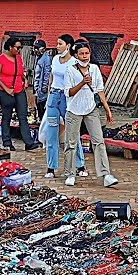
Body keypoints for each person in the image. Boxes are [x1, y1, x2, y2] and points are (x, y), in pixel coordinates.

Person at [60, 42, 118, 189]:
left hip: (91, 108)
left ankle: (106, 175)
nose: (84, 56)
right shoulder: (69, 70)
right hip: (73, 110)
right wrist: (82, 82)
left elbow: (99, 90)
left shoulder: (95, 69)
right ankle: (70, 174)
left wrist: (107, 109)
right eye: (81, 54)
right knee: (71, 143)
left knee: (98, 141)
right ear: (75, 55)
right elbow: (68, 92)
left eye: (87, 53)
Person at [42, 34, 85, 180]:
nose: (57, 46)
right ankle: (51, 167)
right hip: (54, 97)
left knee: (72, 132)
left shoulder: (74, 62)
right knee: (52, 131)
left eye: (60, 44)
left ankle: (80, 165)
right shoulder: (55, 59)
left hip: (68, 98)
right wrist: (48, 94)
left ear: (68, 46)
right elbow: (52, 78)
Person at [0, 37, 39, 151]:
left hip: (19, 90)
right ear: (10, 47)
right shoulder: (1, 59)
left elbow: (20, 71)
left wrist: (25, 79)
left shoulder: (18, 58)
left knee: (23, 116)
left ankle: (29, 142)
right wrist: (6, 89)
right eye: (17, 47)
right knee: (7, 117)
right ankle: (7, 142)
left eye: (20, 48)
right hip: (5, 91)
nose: (19, 50)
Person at [32, 39, 52, 123]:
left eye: (38, 48)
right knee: (38, 107)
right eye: (35, 48)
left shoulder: (46, 59)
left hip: (42, 89)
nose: (36, 50)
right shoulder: (37, 58)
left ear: (43, 49)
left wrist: (44, 88)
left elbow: (47, 75)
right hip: (37, 87)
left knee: (42, 108)